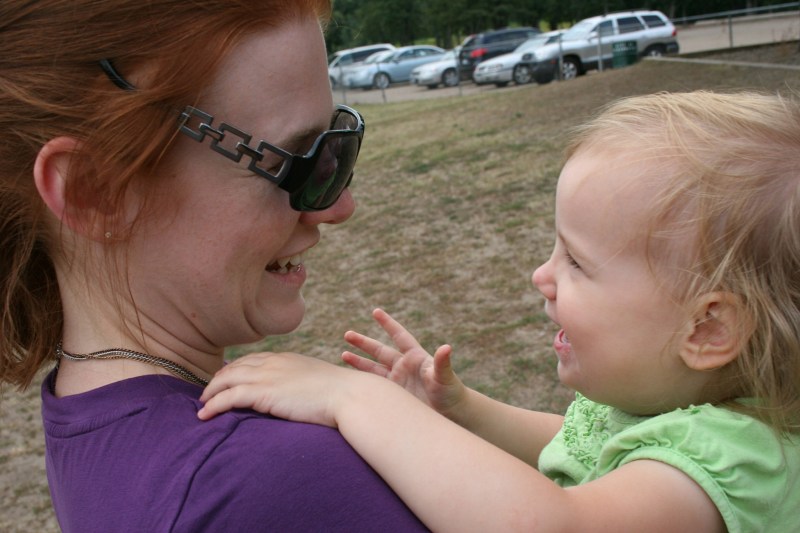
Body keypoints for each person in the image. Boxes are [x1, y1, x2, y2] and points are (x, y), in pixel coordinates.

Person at [198, 91, 800, 532]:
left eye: (578, 264)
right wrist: (460, 411)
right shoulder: (666, 406)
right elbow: (574, 444)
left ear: (709, 329)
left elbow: (553, 524)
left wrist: (355, 400)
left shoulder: (739, 462)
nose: (543, 276)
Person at [0, 1, 431, 531]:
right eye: (294, 163)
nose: (338, 207)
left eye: (338, 148)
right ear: (95, 194)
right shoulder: (270, 488)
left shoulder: (88, 414)